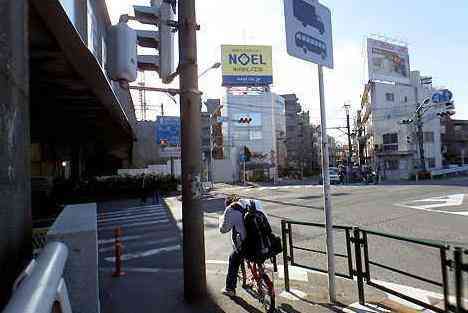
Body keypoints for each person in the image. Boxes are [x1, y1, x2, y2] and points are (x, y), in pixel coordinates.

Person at [218, 195, 266, 297]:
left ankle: (230, 288)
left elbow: (223, 230)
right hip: (265, 241)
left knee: (233, 258)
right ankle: (261, 273)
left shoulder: (230, 209)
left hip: (248, 246)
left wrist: (221, 219)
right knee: (257, 251)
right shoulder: (254, 202)